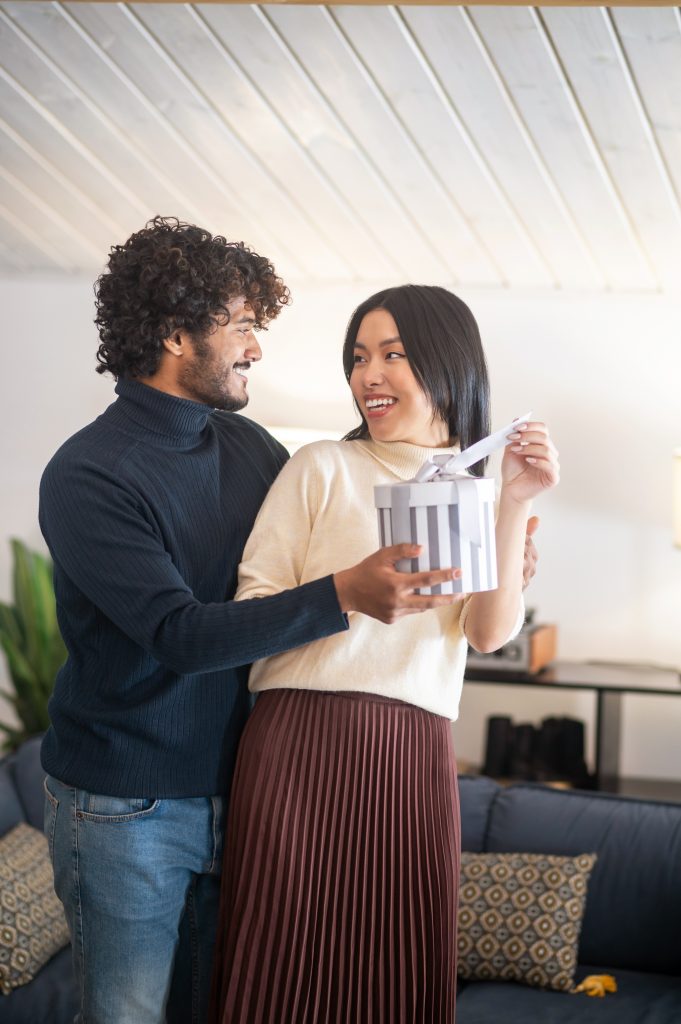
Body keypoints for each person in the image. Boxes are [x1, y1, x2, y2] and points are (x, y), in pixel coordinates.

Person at [38, 220, 472, 1024]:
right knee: (126, 1014)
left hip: (244, 789)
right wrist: (343, 593)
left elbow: (336, 513)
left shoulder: (248, 446)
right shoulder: (87, 475)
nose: (256, 350)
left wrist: (490, 534)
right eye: (242, 327)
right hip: (127, 806)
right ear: (175, 333)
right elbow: (181, 635)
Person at [209, 284, 559, 1023]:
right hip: (298, 743)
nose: (369, 374)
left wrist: (516, 500)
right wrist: (345, 593)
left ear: (446, 365)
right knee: (280, 965)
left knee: (392, 973)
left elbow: (489, 634)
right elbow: (248, 611)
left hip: (412, 752)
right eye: (359, 356)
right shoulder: (320, 466)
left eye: (393, 354)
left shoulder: (472, 491)